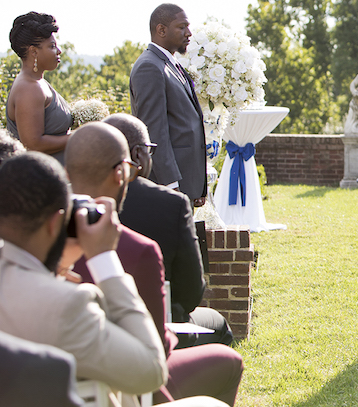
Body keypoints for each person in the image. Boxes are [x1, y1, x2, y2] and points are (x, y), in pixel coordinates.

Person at [65, 123, 243, 405]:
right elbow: (161, 342)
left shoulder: (44, 230)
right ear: (124, 169)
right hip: (129, 380)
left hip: (56, 374)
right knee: (229, 360)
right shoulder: (141, 248)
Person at [0, 152, 168, 405]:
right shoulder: (66, 306)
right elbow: (151, 372)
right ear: (56, 222)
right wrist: (104, 258)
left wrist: (54, 268)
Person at [105, 113, 233, 348]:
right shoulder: (171, 204)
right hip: (160, 327)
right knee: (219, 325)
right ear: (137, 155)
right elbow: (192, 292)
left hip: (93, 324)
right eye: (150, 150)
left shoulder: (73, 199)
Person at [130, 3, 207, 207]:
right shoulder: (149, 66)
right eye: (181, 27)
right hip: (169, 186)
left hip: (185, 182)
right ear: (161, 30)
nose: (189, 33)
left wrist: (198, 186)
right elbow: (154, 130)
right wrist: (170, 184)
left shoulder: (172, 65)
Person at [6, 12, 72, 163]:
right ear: (34, 51)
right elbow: (33, 144)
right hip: (40, 181)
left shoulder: (37, 82)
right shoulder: (29, 88)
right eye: (52, 46)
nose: (59, 51)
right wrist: (78, 136)